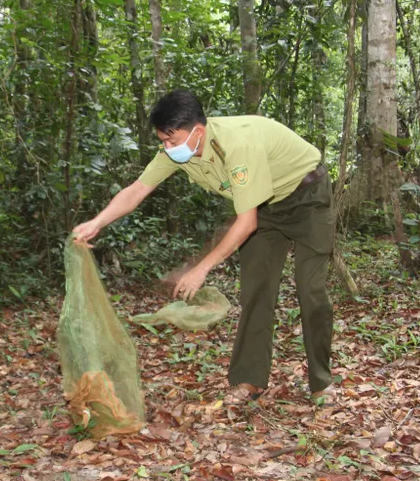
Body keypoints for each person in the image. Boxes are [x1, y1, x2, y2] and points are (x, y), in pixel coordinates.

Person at [72, 90, 336, 406]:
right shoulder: (176, 151)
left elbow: (245, 223)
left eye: (173, 141)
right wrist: (97, 222)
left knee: (312, 292)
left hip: (307, 197)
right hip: (262, 206)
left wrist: (202, 268)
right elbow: (138, 189)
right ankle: (249, 380)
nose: (168, 149)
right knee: (256, 291)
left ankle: (321, 384)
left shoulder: (238, 144)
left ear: (197, 132)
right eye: (163, 141)